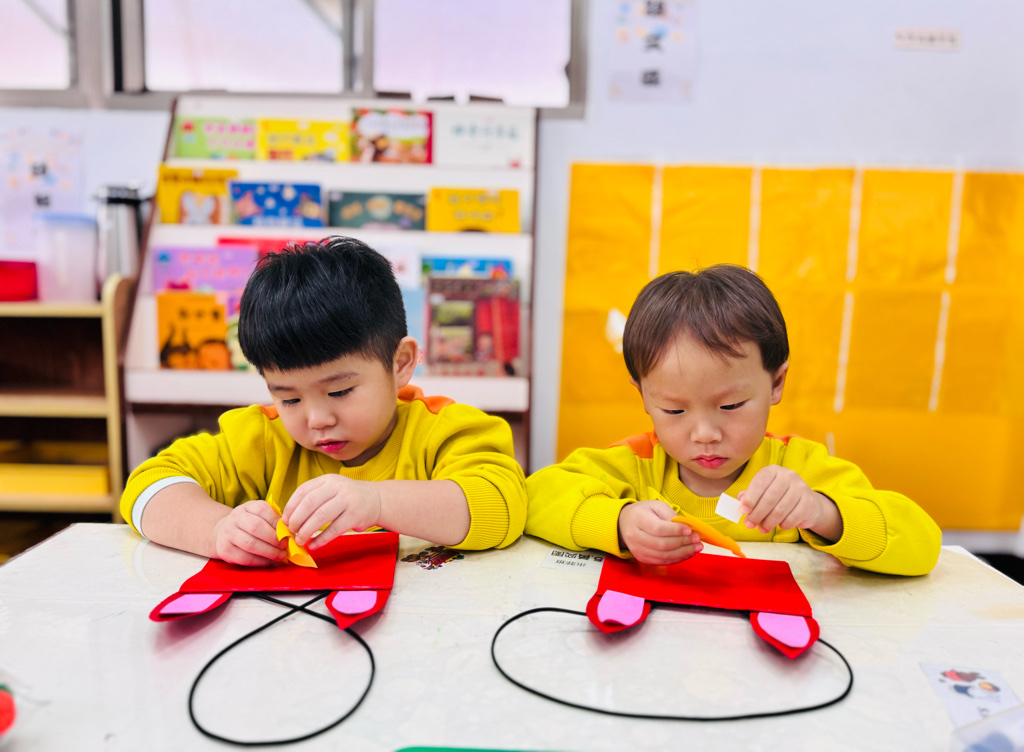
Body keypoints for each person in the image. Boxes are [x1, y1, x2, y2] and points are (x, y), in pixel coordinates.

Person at [121, 237, 527, 565]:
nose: (316, 419)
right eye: (289, 398)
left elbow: (503, 507)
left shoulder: (444, 430)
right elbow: (147, 486)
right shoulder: (262, 439)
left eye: (339, 392)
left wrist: (377, 502)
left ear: (400, 363)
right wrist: (215, 529)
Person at [526, 264, 940, 576]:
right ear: (644, 398)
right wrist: (616, 523)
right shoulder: (635, 465)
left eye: (731, 406)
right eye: (674, 411)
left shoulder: (800, 467)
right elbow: (536, 498)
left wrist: (821, 512)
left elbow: (922, 546)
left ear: (776, 383)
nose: (705, 434)